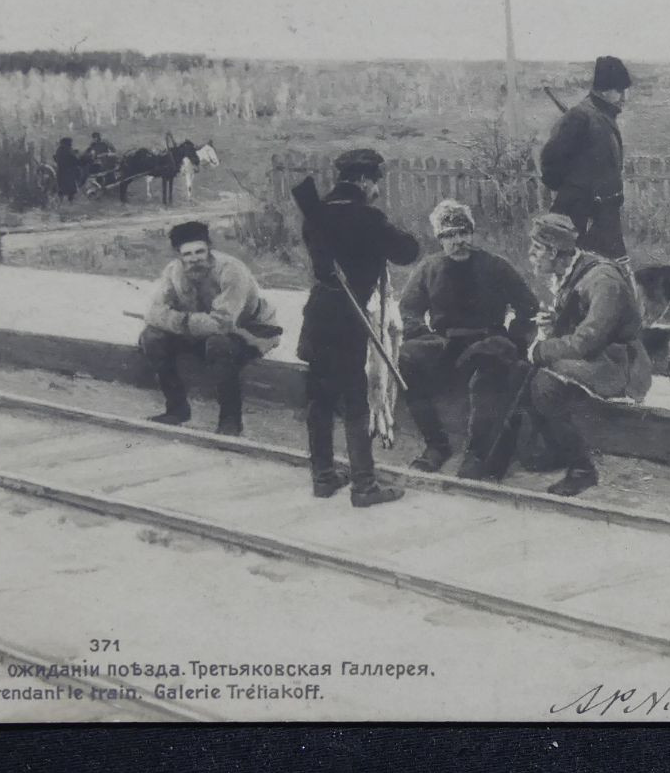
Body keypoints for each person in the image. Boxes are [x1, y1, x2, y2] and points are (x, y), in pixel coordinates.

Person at [471, 213, 653, 497]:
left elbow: (587, 341)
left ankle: (582, 468)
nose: (530, 254)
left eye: (536, 248)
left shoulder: (602, 280)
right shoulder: (574, 271)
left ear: (554, 252)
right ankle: (518, 453)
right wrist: (554, 323)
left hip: (621, 364)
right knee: (522, 371)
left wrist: (541, 349)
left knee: (544, 383)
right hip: (599, 356)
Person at [292, 148, 421, 507]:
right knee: (354, 399)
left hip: (317, 315)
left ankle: (322, 477)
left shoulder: (315, 216)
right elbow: (408, 251)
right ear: (364, 180)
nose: (377, 189)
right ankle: (364, 486)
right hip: (348, 317)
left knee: (319, 399)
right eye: (376, 183)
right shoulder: (367, 218)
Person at [397, 199, 541, 476]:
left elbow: (529, 307)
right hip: (447, 345)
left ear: (471, 233)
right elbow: (409, 310)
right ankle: (436, 445)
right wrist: (424, 336)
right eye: (449, 235)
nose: (458, 241)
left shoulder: (496, 267)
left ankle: (477, 455)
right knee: (407, 358)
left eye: (463, 232)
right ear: (440, 239)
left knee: (490, 370)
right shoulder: (430, 269)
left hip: (488, 343)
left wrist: (516, 341)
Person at [139, 221, 281, 435]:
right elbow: (153, 313)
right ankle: (177, 409)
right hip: (198, 331)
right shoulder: (173, 271)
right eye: (187, 254)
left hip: (248, 330)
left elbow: (222, 323)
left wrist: (179, 321)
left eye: (200, 251)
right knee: (151, 337)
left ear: (209, 249)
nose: (194, 259)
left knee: (219, 344)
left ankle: (230, 421)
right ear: (179, 255)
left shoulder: (231, 270)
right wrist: (184, 322)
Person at [538, 55, 632, 267]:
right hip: (580, 216)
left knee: (612, 273)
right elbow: (550, 163)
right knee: (575, 273)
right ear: (604, 89)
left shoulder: (602, 116)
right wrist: (577, 191)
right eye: (619, 90)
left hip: (605, 216)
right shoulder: (580, 117)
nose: (625, 96)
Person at [54, 137, 83, 202]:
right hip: (68, 172)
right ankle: (70, 203)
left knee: (61, 188)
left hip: (61, 171)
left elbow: (56, 159)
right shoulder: (68, 150)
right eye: (70, 143)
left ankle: (60, 202)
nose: (71, 144)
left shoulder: (59, 150)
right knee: (71, 190)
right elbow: (74, 160)